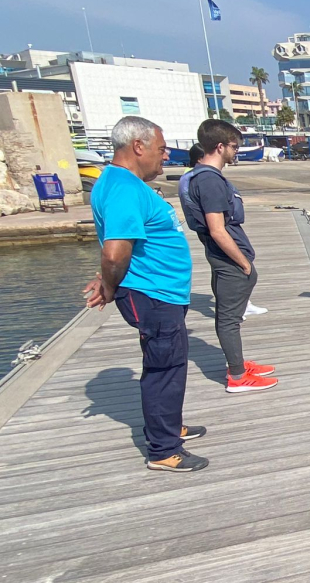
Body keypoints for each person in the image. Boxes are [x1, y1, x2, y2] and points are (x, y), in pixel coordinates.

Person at [83, 116, 208, 472]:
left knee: (169, 364)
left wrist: (108, 278)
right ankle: (163, 450)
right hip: (153, 295)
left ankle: (168, 426)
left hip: (160, 292)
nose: (166, 156)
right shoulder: (123, 187)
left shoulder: (121, 183)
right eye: (161, 149)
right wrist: (109, 285)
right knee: (164, 368)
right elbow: (114, 252)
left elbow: (123, 245)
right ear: (138, 146)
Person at [179, 120, 277, 394]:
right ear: (220, 147)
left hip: (222, 258)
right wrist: (244, 263)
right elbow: (217, 229)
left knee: (229, 316)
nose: (237, 152)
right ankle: (237, 376)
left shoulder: (199, 176)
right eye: (234, 147)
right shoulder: (209, 181)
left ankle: (238, 364)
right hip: (228, 260)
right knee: (229, 319)